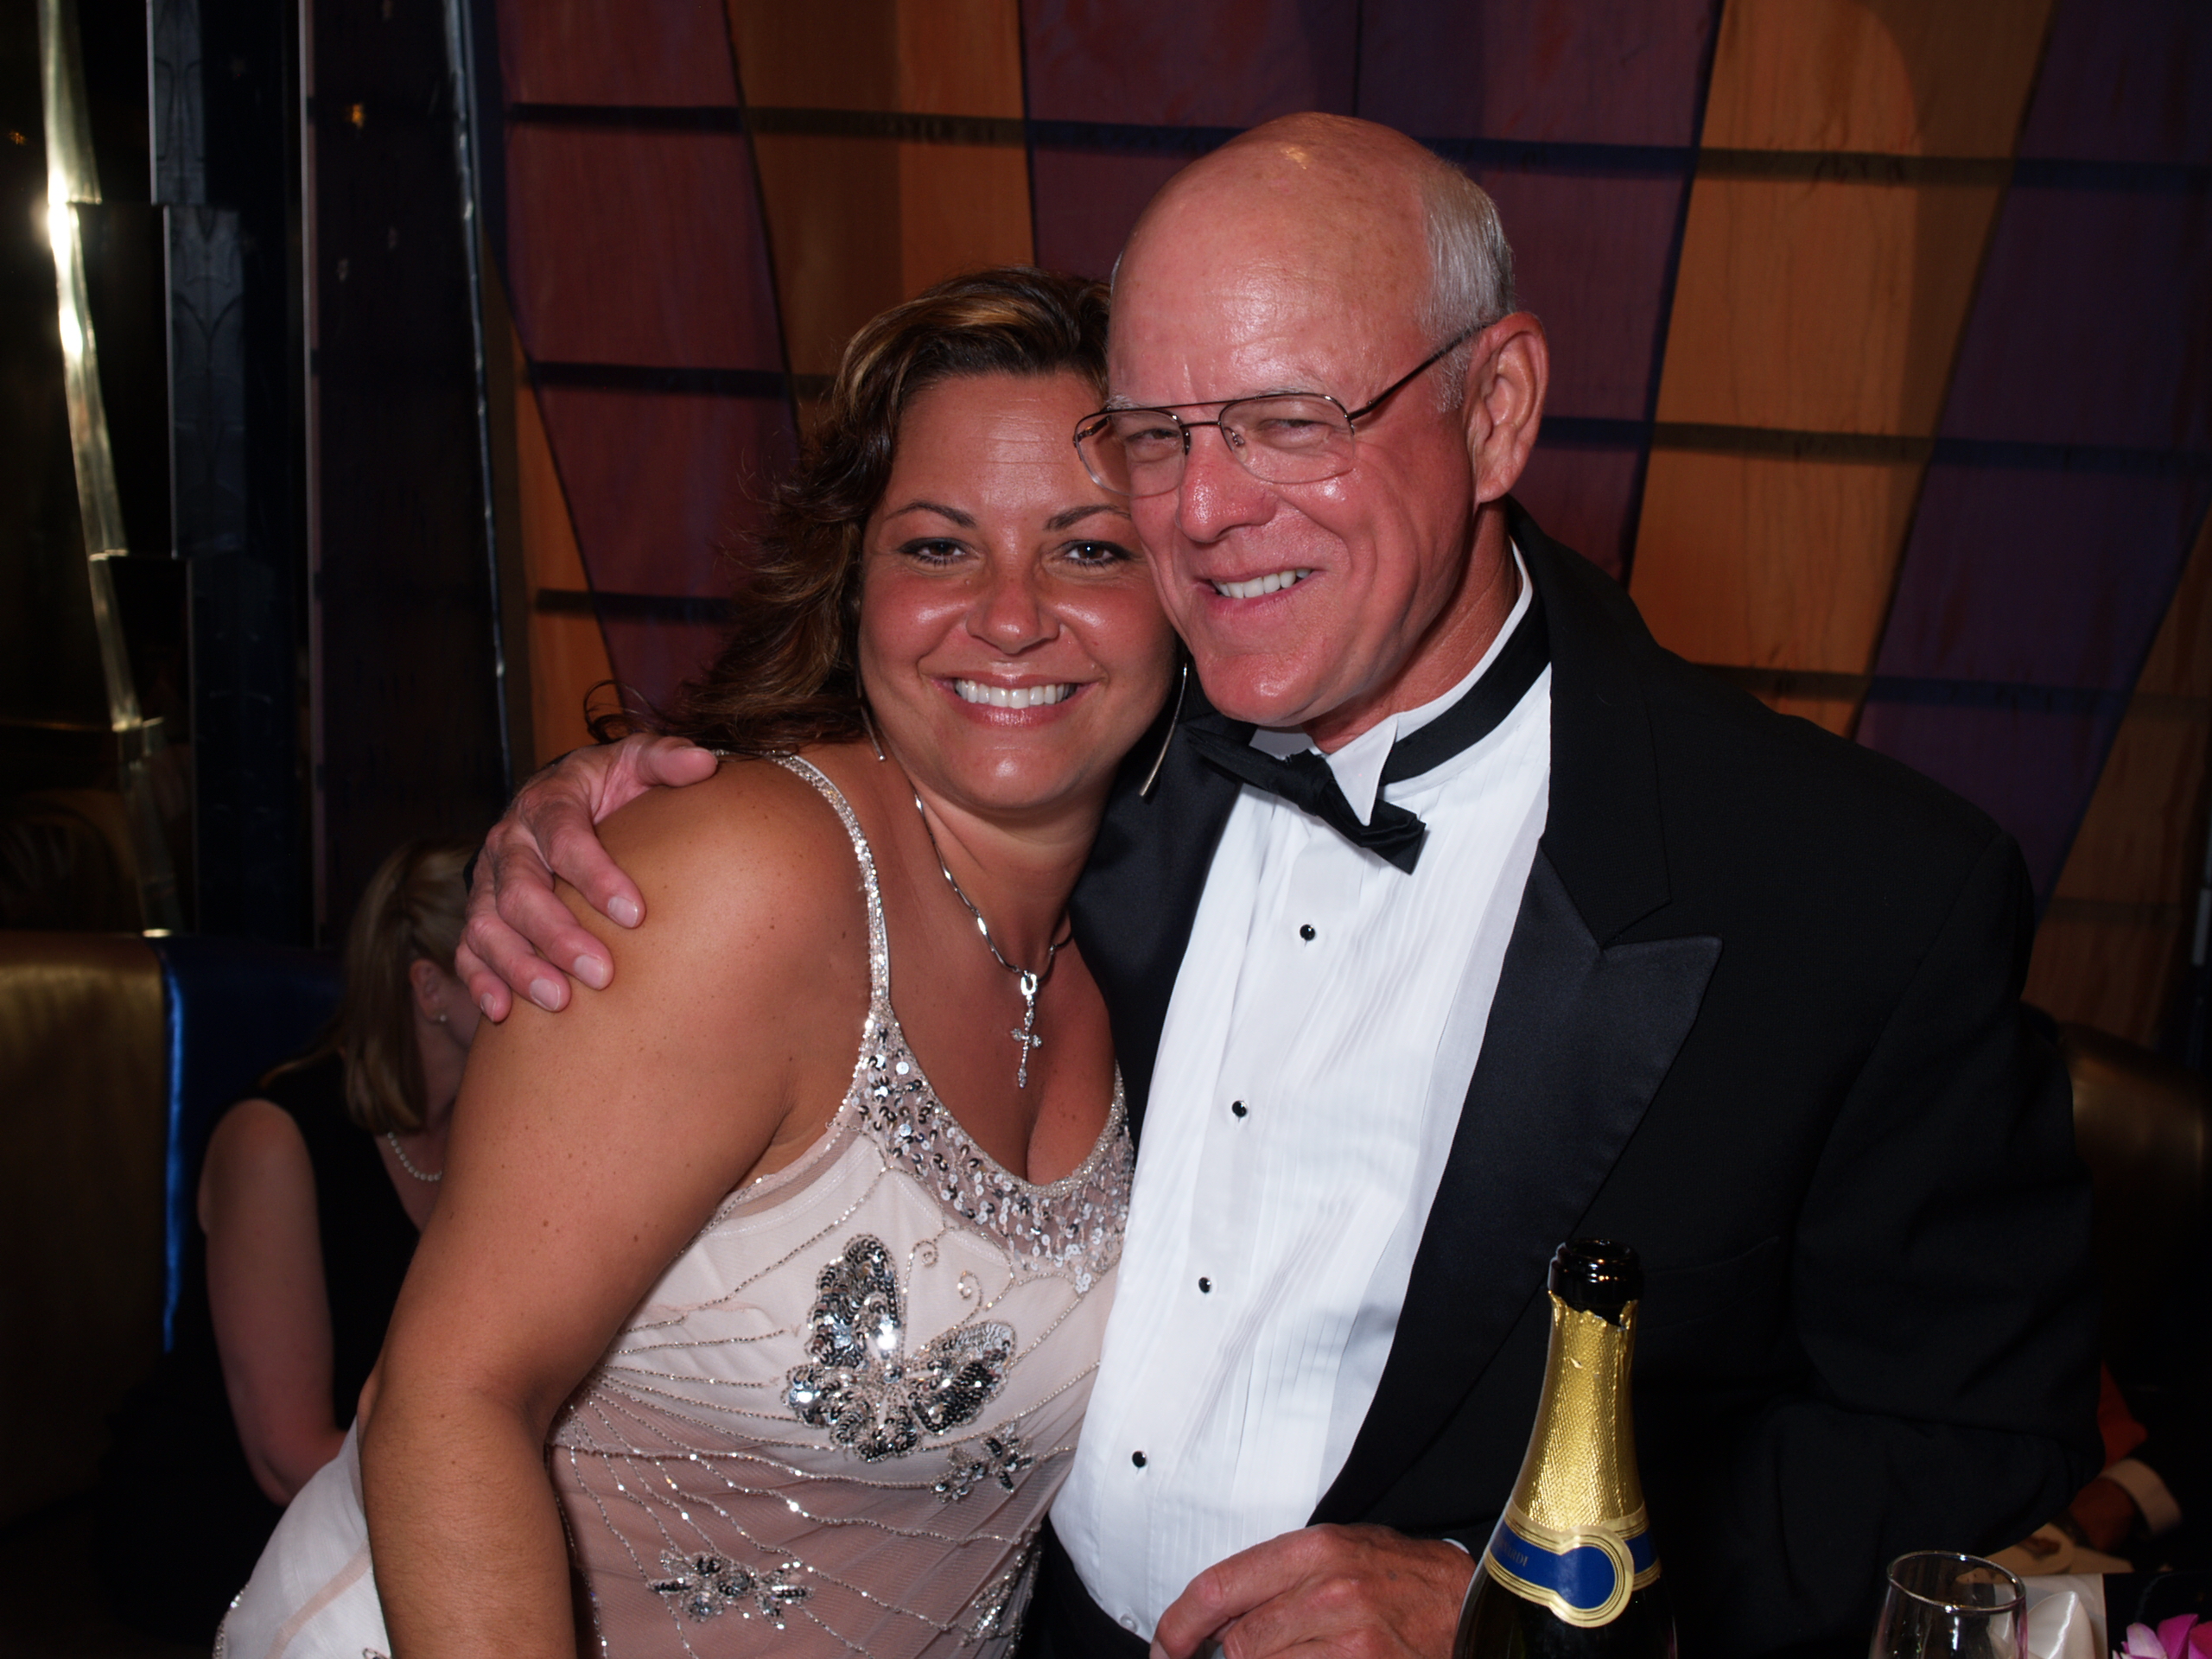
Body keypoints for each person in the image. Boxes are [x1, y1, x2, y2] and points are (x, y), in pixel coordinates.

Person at [460, 116, 2102, 1657]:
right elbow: (844, 798)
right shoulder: (1095, 721)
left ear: (1497, 408)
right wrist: (581, 817)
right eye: (1156, 438)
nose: (1206, 513)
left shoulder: (1856, 893)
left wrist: (1517, 1606)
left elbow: (1967, 1442)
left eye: (1293, 421)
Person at [219, 268, 1177, 1658]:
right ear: (853, 584)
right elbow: (450, 1398)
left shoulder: (1168, 910)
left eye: (1089, 550)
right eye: (937, 546)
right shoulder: (739, 881)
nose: (1011, 612)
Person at [100, 838, 474, 1644]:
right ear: (430, 987)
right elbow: (285, 1456)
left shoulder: (488, 1130)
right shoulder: (274, 1137)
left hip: (396, 1491)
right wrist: (489, 1491)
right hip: (231, 1527)